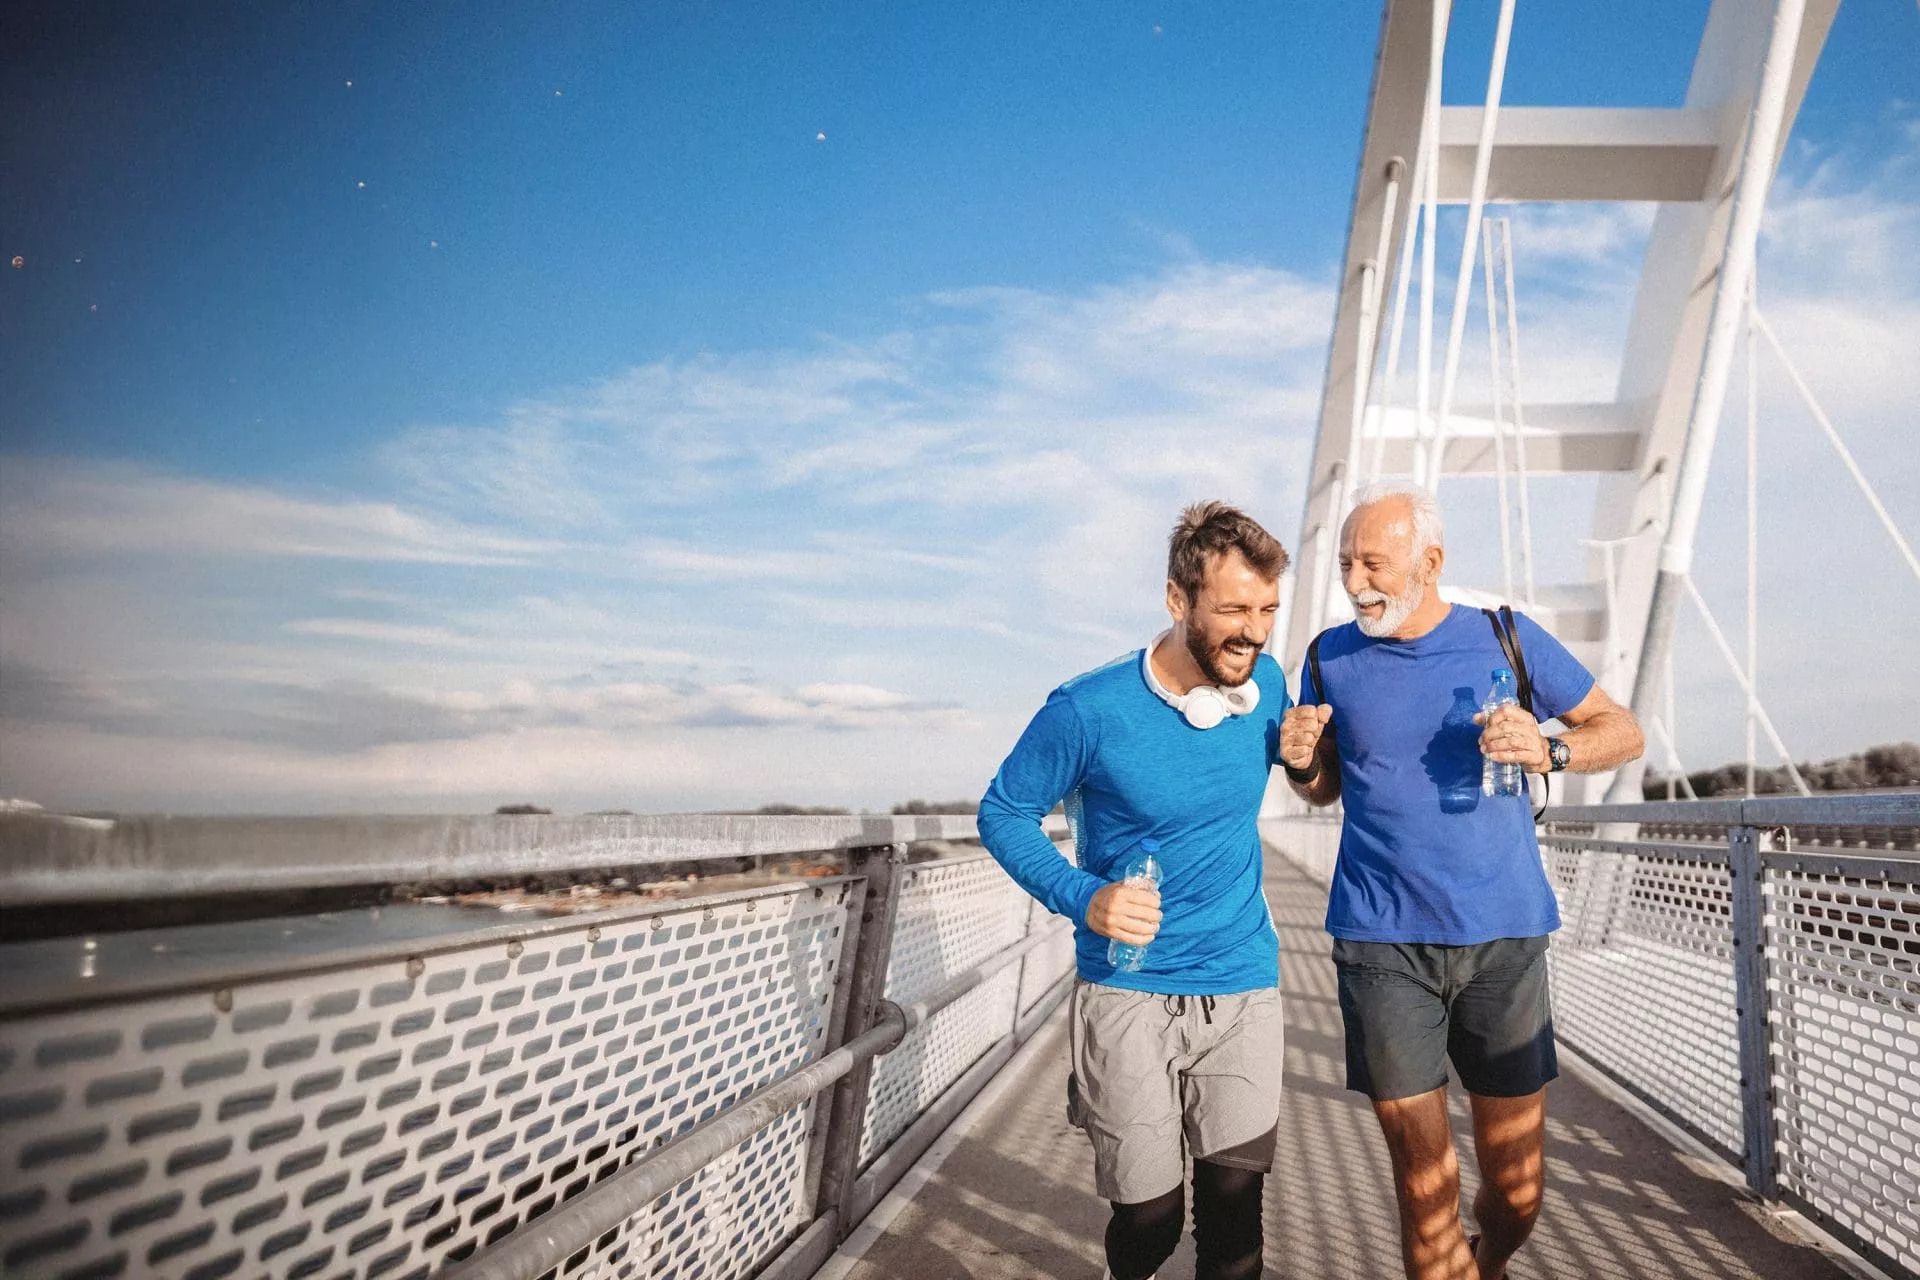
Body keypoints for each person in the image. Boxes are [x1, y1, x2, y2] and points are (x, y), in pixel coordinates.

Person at [1281, 480, 1644, 1280]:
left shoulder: (1506, 637)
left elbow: (1622, 731)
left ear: (1430, 561)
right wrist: (1301, 763)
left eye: (1373, 563)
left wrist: (1550, 749)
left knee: (1517, 1192)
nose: (1354, 583)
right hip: (1381, 942)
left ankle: (1490, 1261)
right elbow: (1324, 788)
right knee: (1424, 1188)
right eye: (1345, 563)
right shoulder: (1327, 658)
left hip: (1503, 939)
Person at [977, 501, 1293, 1280]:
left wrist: (1311, 759)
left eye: (1267, 611)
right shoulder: (1088, 709)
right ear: (1178, 599)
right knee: (1149, 1223)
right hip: (1128, 988)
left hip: (1242, 981)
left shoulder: (1267, 684)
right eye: (1234, 610)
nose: (1254, 632)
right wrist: (1083, 895)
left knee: (1234, 1222)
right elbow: (1004, 812)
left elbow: (1309, 775)